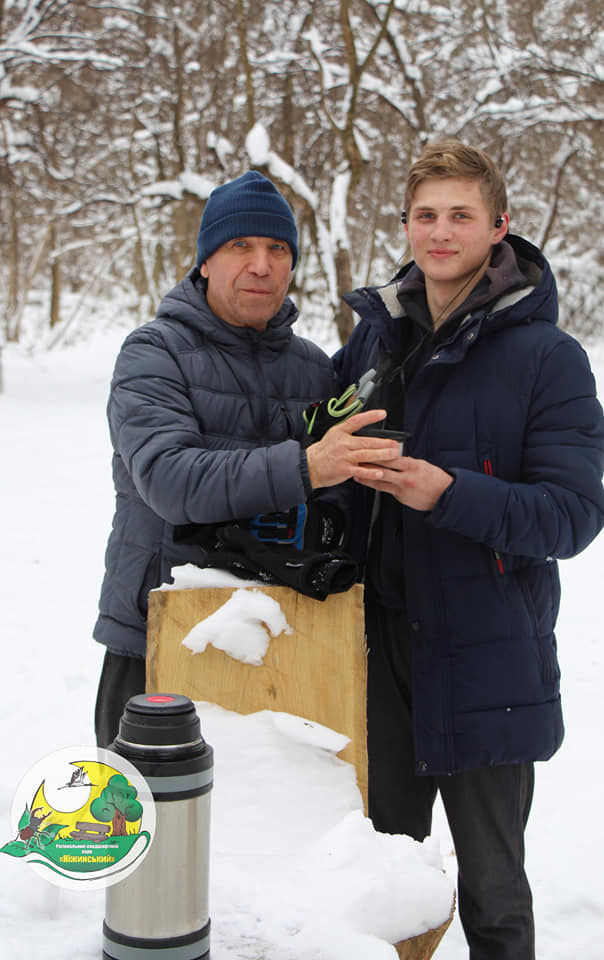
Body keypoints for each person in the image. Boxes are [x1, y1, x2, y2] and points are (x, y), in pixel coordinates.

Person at [333, 140, 604, 959]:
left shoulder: (546, 358)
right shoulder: (375, 343)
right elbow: (326, 450)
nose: (440, 232)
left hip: (491, 661)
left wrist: (449, 494)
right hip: (381, 659)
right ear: (407, 225)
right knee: (381, 891)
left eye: (460, 215)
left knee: (493, 898)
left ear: (499, 229)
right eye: (425, 215)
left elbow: (572, 515)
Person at [93, 170, 398, 747]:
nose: (261, 265)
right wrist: (306, 467)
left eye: (277, 249)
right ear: (205, 260)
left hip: (291, 633)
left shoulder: (316, 369)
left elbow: (339, 496)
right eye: (240, 246)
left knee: (280, 828)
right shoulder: (154, 353)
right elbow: (169, 480)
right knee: (148, 828)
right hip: (163, 633)